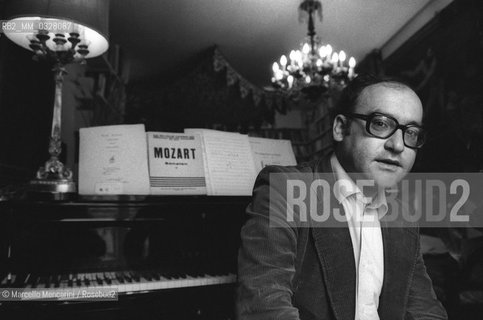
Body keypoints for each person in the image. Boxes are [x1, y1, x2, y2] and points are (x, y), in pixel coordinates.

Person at [237, 74, 447, 320]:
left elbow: (426, 310)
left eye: (411, 133)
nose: (398, 145)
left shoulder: (403, 212)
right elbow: (265, 308)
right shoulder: (284, 188)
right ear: (340, 128)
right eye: (380, 123)